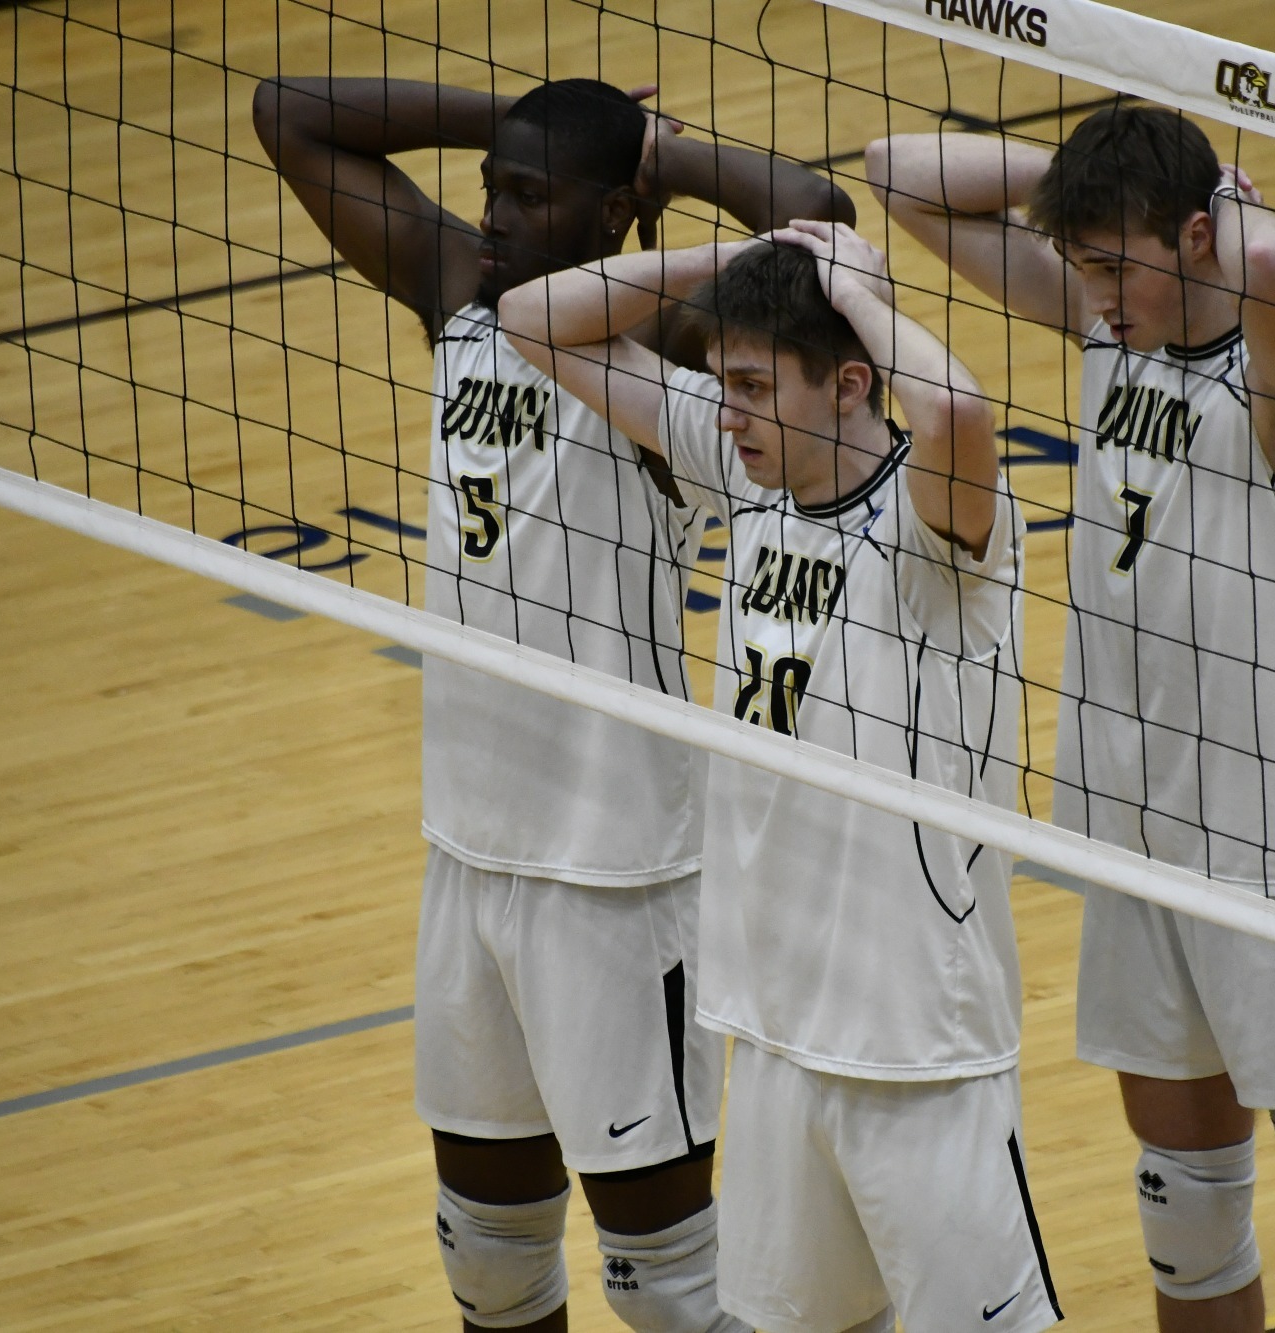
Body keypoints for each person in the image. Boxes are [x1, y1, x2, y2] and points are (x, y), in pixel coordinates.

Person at [253, 72, 851, 1333]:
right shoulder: (457, 302)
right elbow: (285, 112)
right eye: (490, 189)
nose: (495, 213)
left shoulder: (664, 370)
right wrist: (514, 121)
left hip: (612, 881)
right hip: (466, 856)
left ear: (613, 208)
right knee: (489, 1265)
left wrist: (658, 159)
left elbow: (814, 212)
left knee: (668, 1290)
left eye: (531, 193)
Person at [869, 107, 1275, 1333]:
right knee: (1184, 1226)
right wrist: (1093, 203)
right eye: (1080, 265)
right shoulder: (1106, 325)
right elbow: (897, 177)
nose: (1097, 292)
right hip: (1131, 841)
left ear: (1198, 235)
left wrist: (1207, 193)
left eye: (1120, 262)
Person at [497, 222, 1058, 1333]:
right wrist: (721, 261)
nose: (730, 411)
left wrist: (862, 293)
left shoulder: (931, 520)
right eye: (721, 384)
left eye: (754, 385)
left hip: (916, 1046)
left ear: (851, 382)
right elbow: (531, 320)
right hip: (773, 1034)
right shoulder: (746, 471)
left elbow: (952, 413)